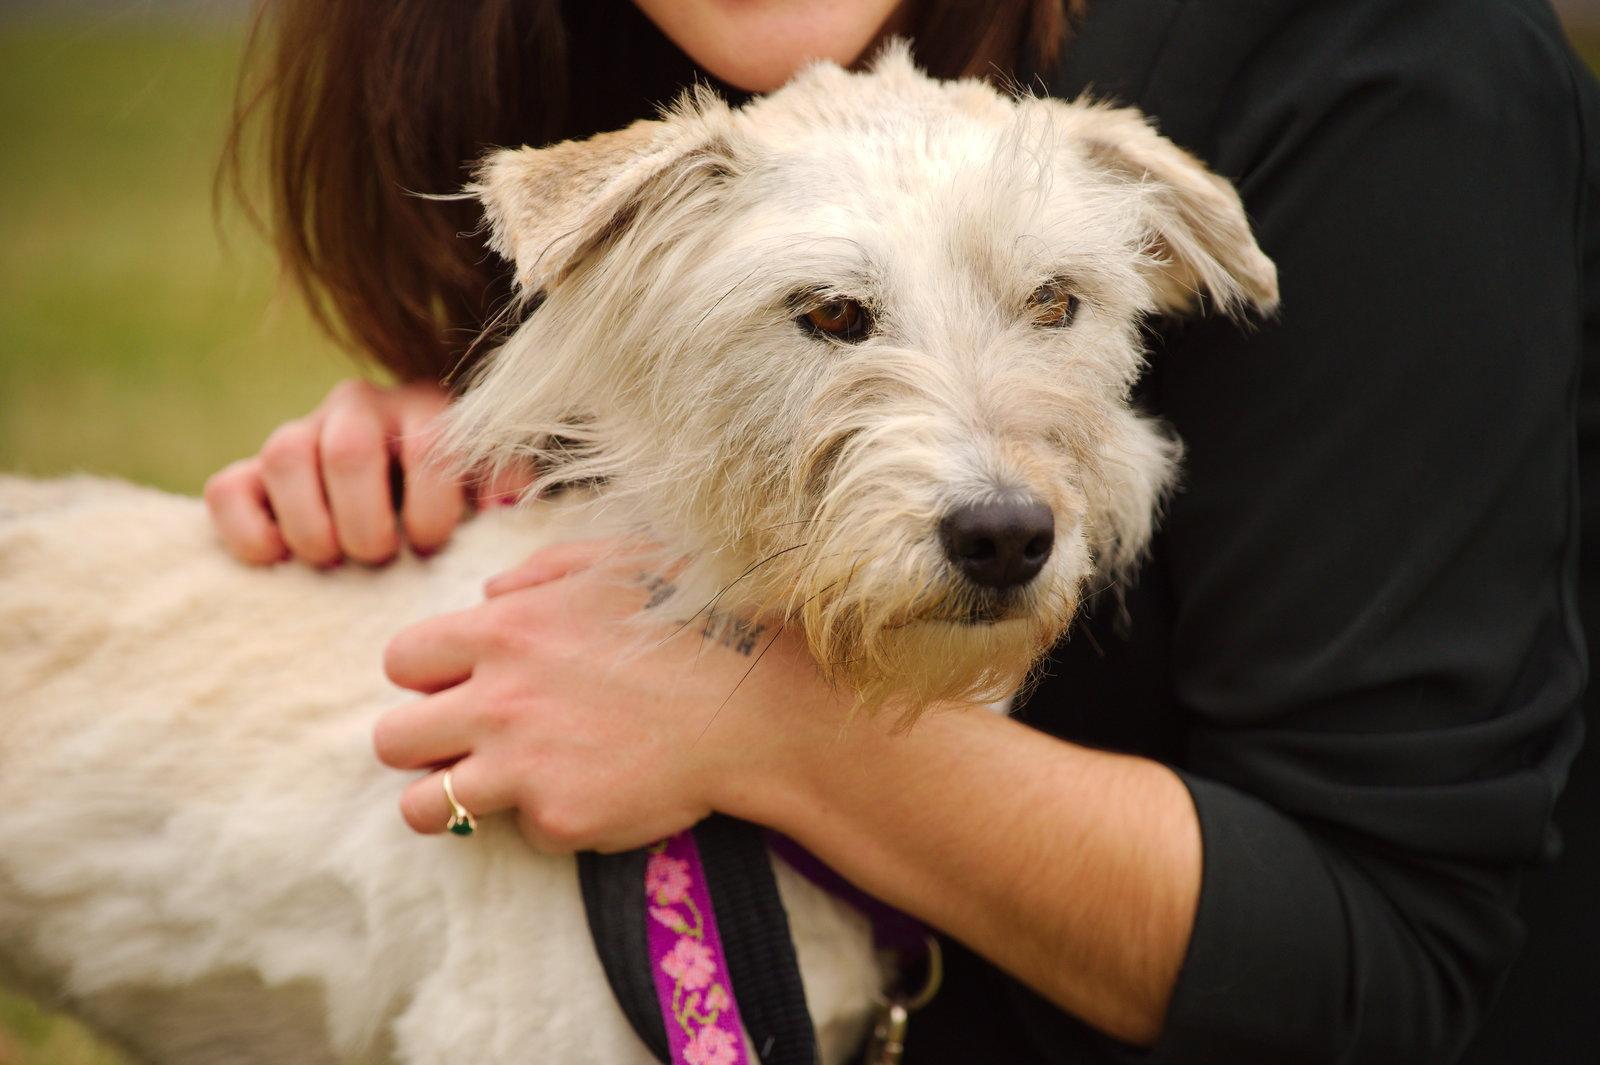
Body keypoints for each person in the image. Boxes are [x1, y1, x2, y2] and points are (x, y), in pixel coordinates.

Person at [204, 1, 1600, 1062]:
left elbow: (1390, 954)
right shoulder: (632, 94)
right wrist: (503, 441)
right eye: (829, 318)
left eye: (1054, 306)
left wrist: (768, 724)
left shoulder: (1394, 73)